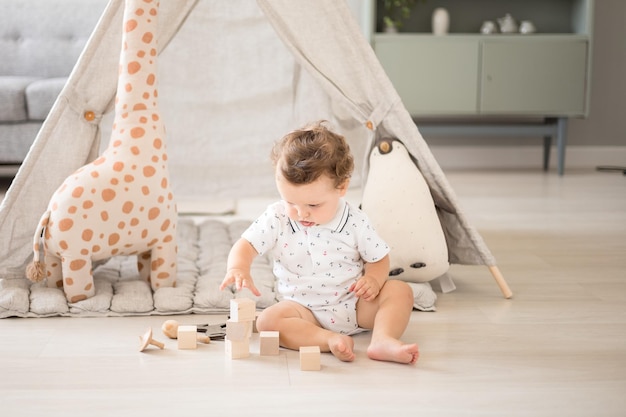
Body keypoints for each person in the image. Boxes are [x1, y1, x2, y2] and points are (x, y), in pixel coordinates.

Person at [219, 120, 418, 364]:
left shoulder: (355, 221)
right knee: (267, 322)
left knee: (400, 291)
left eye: (313, 205)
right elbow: (246, 245)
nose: (301, 213)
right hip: (303, 311)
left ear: (341, 188)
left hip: (355, 305)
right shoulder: (277, 217)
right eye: (291, 202)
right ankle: (327, 340)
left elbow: (378, 258)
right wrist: (238, 267)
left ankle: (383, 339)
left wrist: (374, 281)